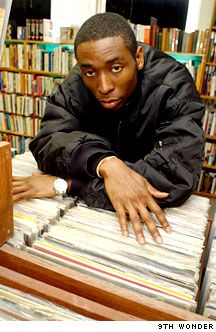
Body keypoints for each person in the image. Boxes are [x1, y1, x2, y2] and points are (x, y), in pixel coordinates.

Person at [13, 12, 205, 245]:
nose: (103, 86)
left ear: (139, 58)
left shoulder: (173, 85)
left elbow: (176, 176)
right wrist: (105, 164)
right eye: (90, 72)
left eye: (116, 68)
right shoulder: (77, 83)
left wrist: (72, 185)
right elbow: (47, 140)